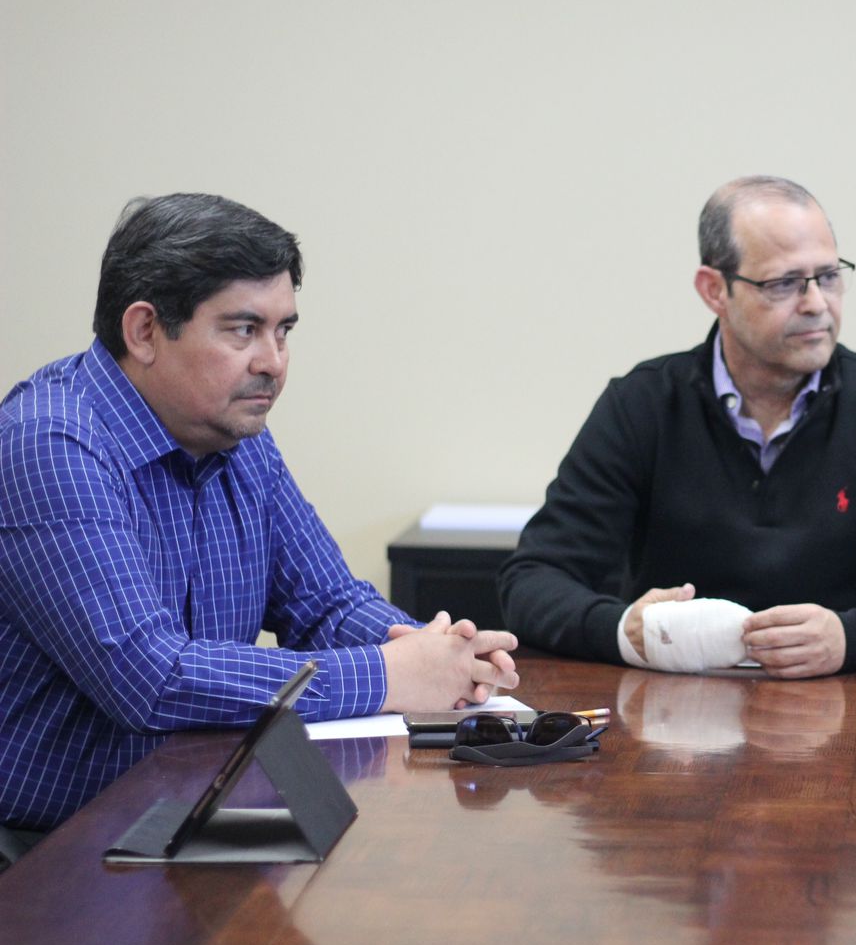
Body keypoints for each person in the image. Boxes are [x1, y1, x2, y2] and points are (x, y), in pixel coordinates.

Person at [0, 194, 519, 841]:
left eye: (283, 331)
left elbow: (325, 606)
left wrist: (441, 654)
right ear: (144, 332)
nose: (273, 361)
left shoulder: (238, 437)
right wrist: (391, 674)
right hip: (48, 846)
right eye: (243, 329)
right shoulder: (50, 443)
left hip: (197, 820)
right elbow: (148, 676)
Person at [499, 175, 856, 678]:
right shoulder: (643, 405)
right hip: (675, 710)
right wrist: (626, 631)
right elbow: (533, 581)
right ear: (715, 290)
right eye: (784, 283)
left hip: (848, 704)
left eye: (828, 276)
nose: (816, 303)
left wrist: (850, 638)